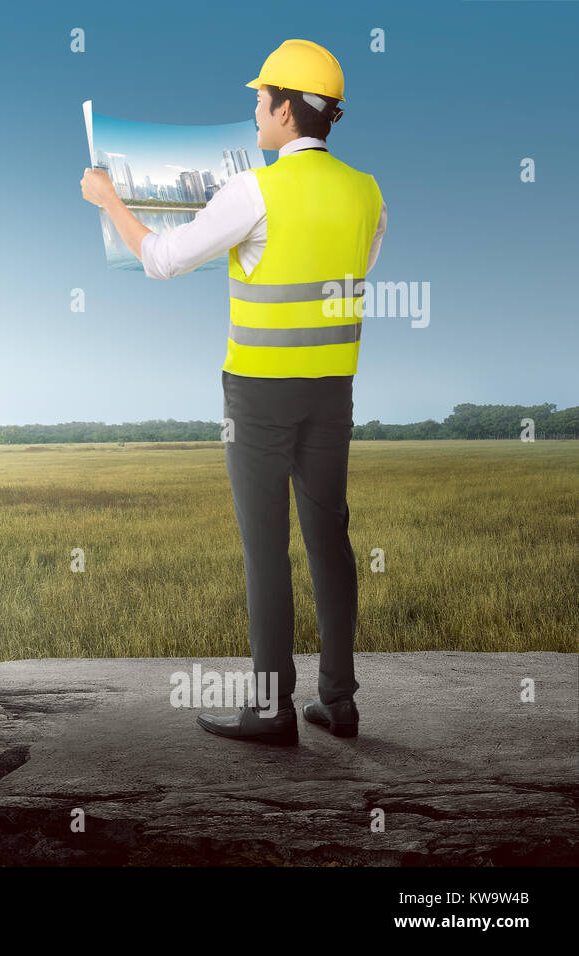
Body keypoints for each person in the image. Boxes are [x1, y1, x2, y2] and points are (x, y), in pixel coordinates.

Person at [80, 39, 386, 745]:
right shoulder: (368, 193)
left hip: (257, 395)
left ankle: (272, 710)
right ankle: (337, 702)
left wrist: (110, 200)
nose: (253, 111)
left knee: (265, 548)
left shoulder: (252, 191)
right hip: (332, 391)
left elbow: (161, 259)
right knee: (330, 540)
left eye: (259, 99)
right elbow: (350, 268)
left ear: (284, 109)